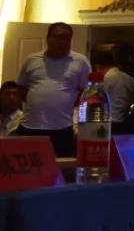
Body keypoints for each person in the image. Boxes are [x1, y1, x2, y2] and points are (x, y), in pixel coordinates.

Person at [14, 21, 91, 157]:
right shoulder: (32, 60)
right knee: (28, 166)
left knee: (60, 166)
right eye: (58, 37)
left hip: (62, 128)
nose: (62, 42)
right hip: (31, 126)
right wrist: (39, 102)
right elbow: (22, 88)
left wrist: (65, 103)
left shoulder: (81, 61)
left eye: (67, 38)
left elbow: (86, 92)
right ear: (48, 38)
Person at [103, 43, 134, 129]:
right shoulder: (131, 79)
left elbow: (102, 96)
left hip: (110, 120)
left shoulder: (110, 75)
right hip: (122, 121)